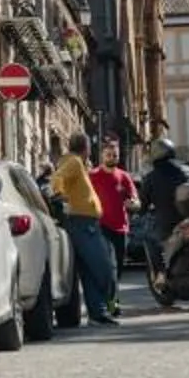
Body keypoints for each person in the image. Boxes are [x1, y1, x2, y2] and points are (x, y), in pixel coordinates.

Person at [49, 131, 118, 324]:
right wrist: (59, 194)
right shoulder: (74, 162)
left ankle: (98, 313)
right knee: (104, 267)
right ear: (86, 148)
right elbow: (57, 178)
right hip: (82, 224)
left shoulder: (75, 163)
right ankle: (105, 307)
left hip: (84, 223)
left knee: (89, 271)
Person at [87, 139, 140, 317]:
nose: (112, 157)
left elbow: (136, 202)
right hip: (101, 226)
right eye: (108, 155)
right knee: (110, 267)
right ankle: (110, 304)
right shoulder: (93, 175)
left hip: (121, 228)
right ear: (102, 156)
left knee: (117, 269)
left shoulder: (124, 177)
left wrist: (132, 203)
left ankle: (110, 300)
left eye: (115, 155)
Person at [139, 137, 189, 268]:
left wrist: (138, 210)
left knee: (150, 239)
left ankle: (160, 274)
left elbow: (142, 205)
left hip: (170, 223)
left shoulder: (152, 177)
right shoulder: (188, 169)